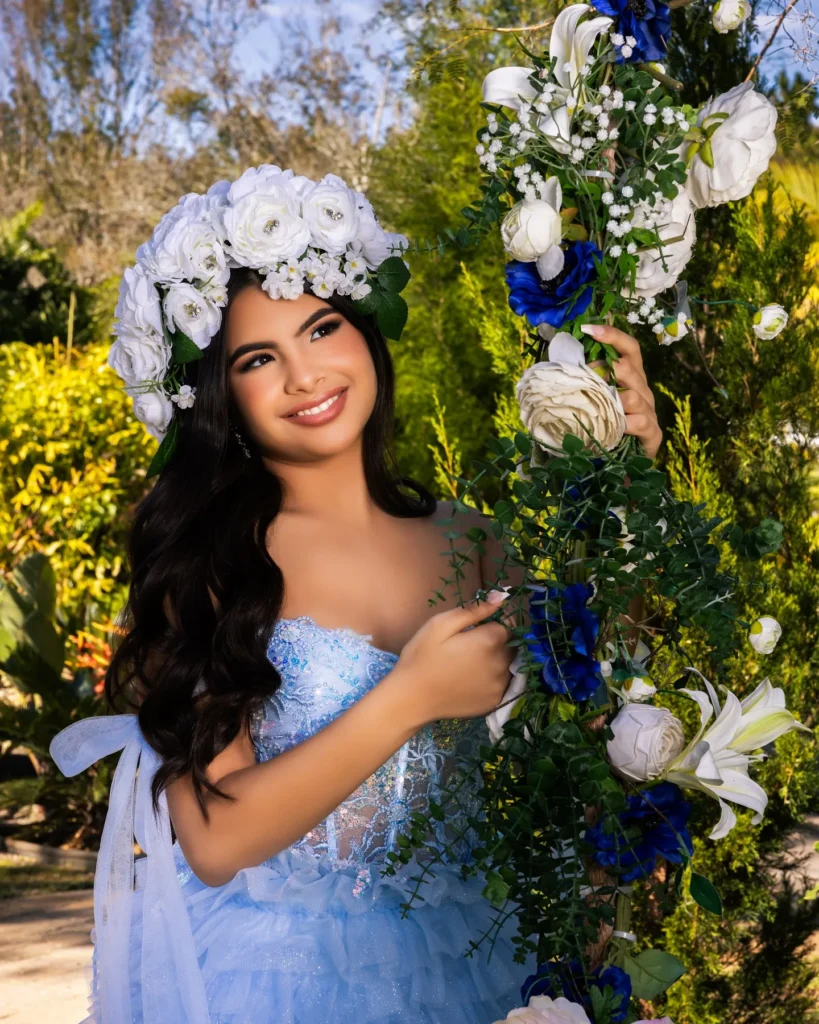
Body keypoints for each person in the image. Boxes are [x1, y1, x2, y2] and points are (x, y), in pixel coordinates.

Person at [50, 166, 662, 1024]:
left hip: (474, 960)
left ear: (367, 334)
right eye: (259, 358)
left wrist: (628, 474)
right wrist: (409, 697)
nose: (305, 375)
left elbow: (597, 683)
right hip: (274, 982)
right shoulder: (208, 565)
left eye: (322, 327)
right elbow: (218, 840)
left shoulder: (470, 539)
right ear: (221, 399)